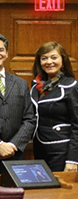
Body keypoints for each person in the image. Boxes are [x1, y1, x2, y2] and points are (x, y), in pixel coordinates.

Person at [0, 33, 35, 174]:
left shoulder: (20, 83)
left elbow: (29, 119)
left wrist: (13, 145)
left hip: (15, 155)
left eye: (0, 50)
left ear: (7, 53)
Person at [30, 41, 78, 173]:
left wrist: (73, 159)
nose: (49, 62)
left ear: (63, 60)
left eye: (54, 57)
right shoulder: (36, 87)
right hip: (40, 149)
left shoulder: (71, 86)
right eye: (44, 58)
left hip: (63, 152)